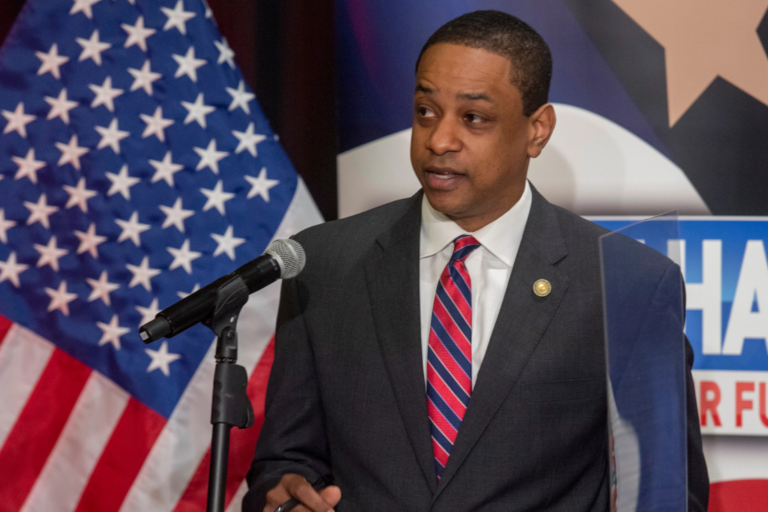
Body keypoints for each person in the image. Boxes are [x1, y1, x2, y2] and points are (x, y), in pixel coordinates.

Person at [243, 10, 708, 512]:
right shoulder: (325, 264)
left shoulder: (626, 282)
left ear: (537, 130)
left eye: (473, 118)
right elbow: (284, 462)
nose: (439, 140)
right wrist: (284, 497)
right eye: (425, 111)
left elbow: (668, 494)